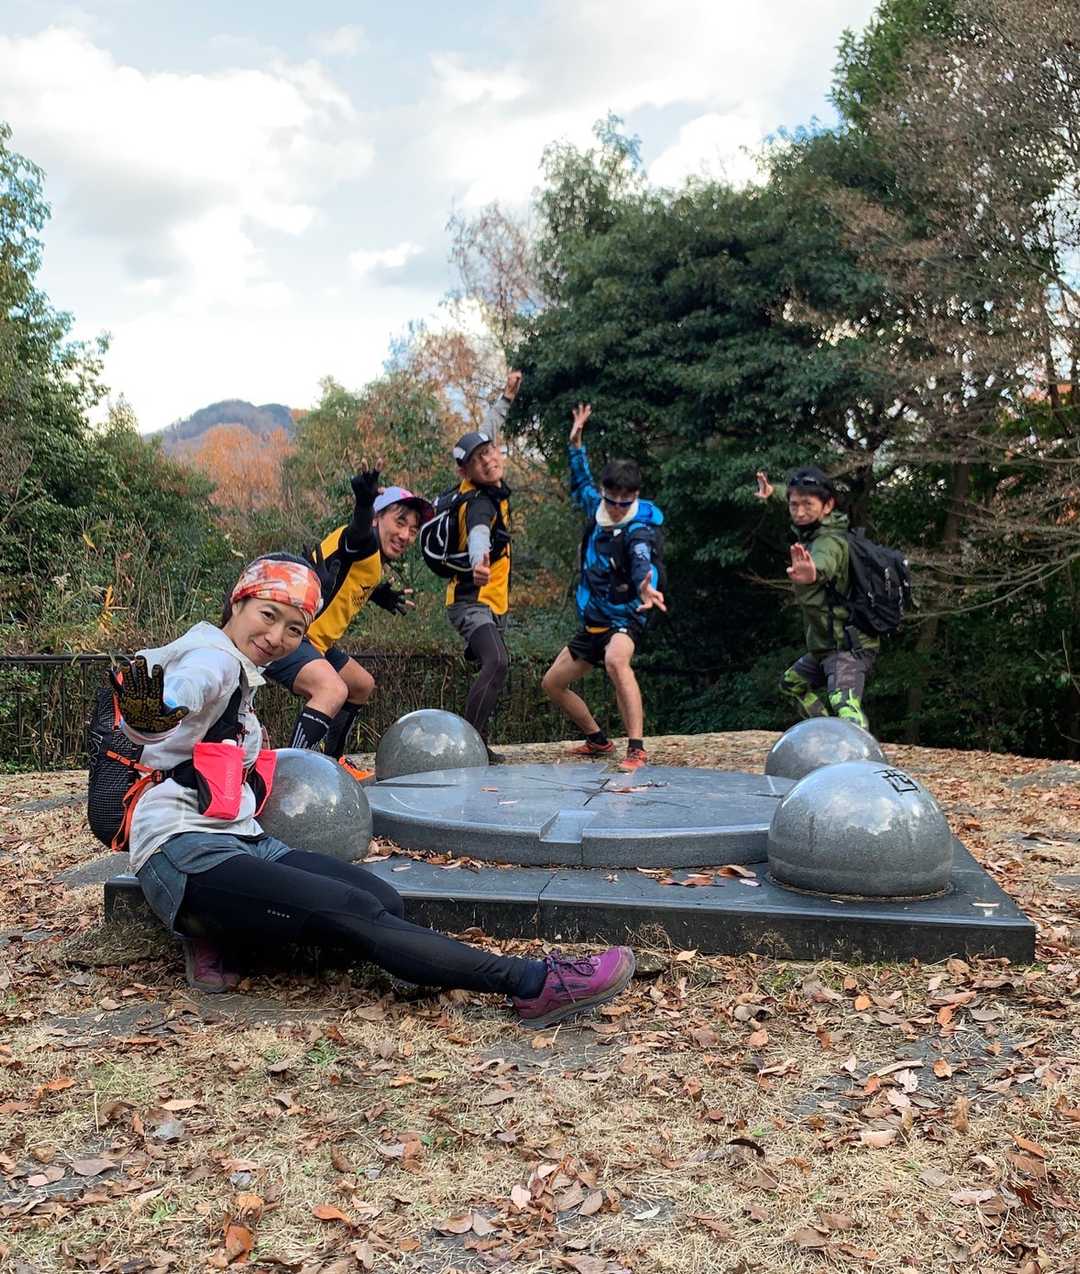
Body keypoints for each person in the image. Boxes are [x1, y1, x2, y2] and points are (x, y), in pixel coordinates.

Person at [114, 552, 635, 1023]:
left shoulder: (241, 668)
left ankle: (224, 931)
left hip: (245, 841)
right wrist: (156, 714)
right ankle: (532, 982)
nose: (276, 636)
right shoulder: (212, 657)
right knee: (353, 910)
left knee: (381, 899)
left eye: (294, 629)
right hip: (187, 852)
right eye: (267, 615)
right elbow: (181, 692)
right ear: (238, 602)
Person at [265, 470, 433, 759]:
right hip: (288, 634)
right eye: (400, 522)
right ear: (377, 518)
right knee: (331, 690)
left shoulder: (373, 559)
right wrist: (364, 504)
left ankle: (334, 762)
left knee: (360, 684)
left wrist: (378, 594)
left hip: (315, 641)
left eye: (413, 529)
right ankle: (293, 771)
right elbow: (357, 536)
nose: (406, 535)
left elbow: (346, 571)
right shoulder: (365, 541)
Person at [541, 404, 666, 773]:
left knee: (616, 660)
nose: (617, 508)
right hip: (595, 618)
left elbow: (643, 561)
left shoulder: (639, 529)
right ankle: (597, 740)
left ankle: (636, 748)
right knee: (552, 683)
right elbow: (581, 482)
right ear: (605, 493)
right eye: (612, 500)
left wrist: (646, 588)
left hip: (626, 615)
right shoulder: (597, 507)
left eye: (625, 501)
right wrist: (575, 443)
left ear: (635, 495)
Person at [755, 466, 878, 729]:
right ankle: (824, 730)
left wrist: (813, 573)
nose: (799, 512)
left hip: (847, 647)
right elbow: (795, 499)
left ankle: (862, 751)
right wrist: (773, 492)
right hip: (825, 646)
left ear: (828, 505)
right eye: (794, 505)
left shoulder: (828, 541)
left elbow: (824, 562)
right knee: (792, 684)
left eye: (807, 505)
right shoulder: (815, 529)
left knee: (845, 706)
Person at [443, 371, 522, 761]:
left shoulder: (481, 483)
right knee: (497, 661)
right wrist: (478, 562)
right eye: (479, 460)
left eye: (490, 452)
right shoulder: (479, 502)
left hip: (492, 601)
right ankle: (471, 749)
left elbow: (487, 432)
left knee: (494, 662)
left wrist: (506, 398)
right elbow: (477, 534)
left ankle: (477, 745)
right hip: (471, 599)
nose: (489, 460)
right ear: (465, 472)